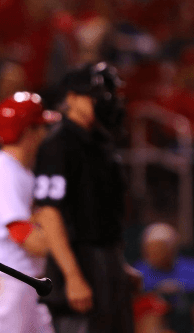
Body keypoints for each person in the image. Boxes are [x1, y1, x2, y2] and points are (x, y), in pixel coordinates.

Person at [33, 62, 140, 333]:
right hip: (78, 260)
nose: (106, 101)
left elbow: (104, 215)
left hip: (107, 260)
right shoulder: (58, 143)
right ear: (71, 98)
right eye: (96, 95)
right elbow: (48, 212)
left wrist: (118, 264)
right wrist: (72, 276)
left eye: (109, 95)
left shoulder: (102, 143)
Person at [0, 92, 59, 333]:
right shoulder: (4, 170)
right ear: (28, 132)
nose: (45, 134)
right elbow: (24, 236)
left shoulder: (20, 171)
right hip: (3, 287)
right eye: (41, 127)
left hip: (22, 284)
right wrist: (69, 250)